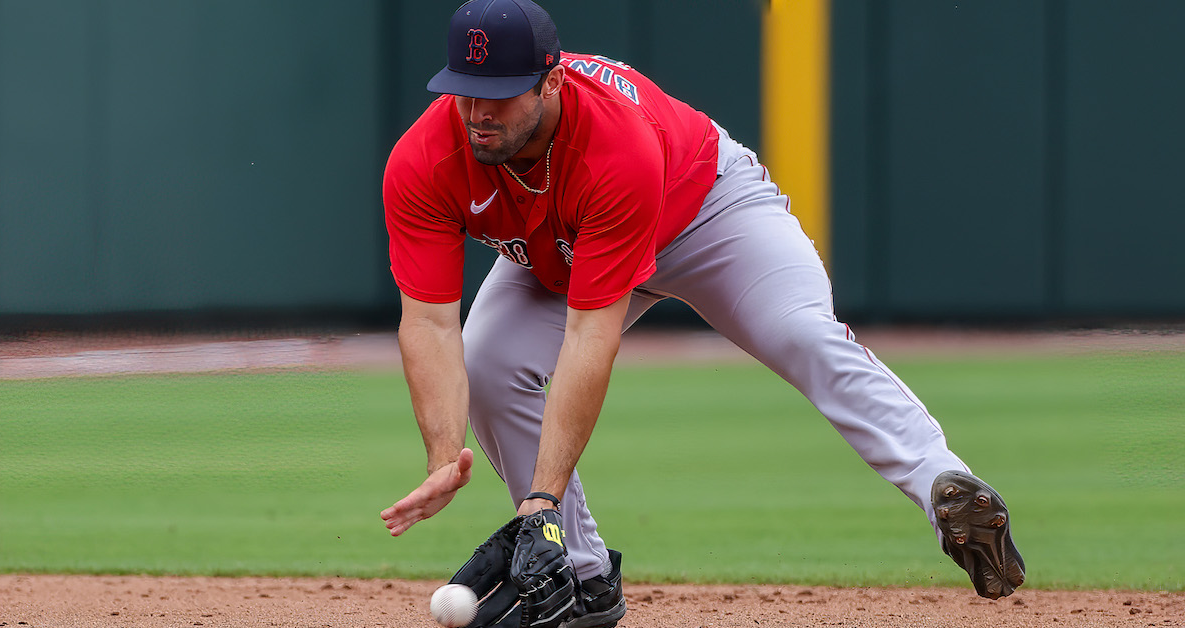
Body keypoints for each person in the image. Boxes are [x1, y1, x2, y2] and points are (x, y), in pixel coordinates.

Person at [380, 0, 1025, 625]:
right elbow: (431, 321)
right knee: (490, 360)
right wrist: (443, 456)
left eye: (499, 90)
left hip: (707, 211)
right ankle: (582, 575)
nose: (477, 109)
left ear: (552, 81)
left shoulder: (610, 143)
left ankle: (945, 486)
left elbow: (589, 335)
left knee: (800, 332)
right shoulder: (427, 156)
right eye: (464, 88)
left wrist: (540, 501)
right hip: (567, 243)